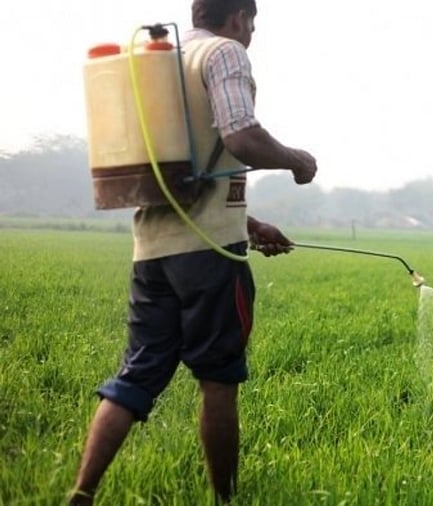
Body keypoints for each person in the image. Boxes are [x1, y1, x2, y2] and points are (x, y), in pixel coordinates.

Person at [69, 1, 317, 503]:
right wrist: (297, 161)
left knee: (136, 373)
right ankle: (225, 499)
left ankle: (82, 492)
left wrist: (249, 224)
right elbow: (240, 137)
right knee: (219, 379)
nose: (250, 32)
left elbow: (181, 174)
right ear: (240, 18)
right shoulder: (226, 53)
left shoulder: (158, 64)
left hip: (152, 252)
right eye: (251, 23)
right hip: (209, 258)